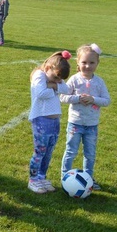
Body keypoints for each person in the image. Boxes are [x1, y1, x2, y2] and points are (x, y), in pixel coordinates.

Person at [59, 44, 110, 191]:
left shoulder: (99, 82)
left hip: (92, 125)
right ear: (78, 63)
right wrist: (77, 98)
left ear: (97, 63)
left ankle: (89, 179)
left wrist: (93, 99)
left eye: (92, 63)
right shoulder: (74, 80)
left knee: (90, 154)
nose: (87, 66)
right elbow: (62, 96)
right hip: (75, 123)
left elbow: (106, 101)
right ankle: (65, 177)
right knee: (70, 151)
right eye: (84, 62)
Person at [28, 50, 71, 194]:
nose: (58, 81)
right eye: (56, 77)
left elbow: (67, 89)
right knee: (40, 151)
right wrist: (55, 89)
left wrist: (53, 85)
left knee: (48, 151)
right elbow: (40, 93)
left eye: (60, 79)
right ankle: (33, 180)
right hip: (41, 119)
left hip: (54, 121)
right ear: (48, 68)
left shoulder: (54, 80)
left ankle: (41, 177)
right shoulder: (39, 75)